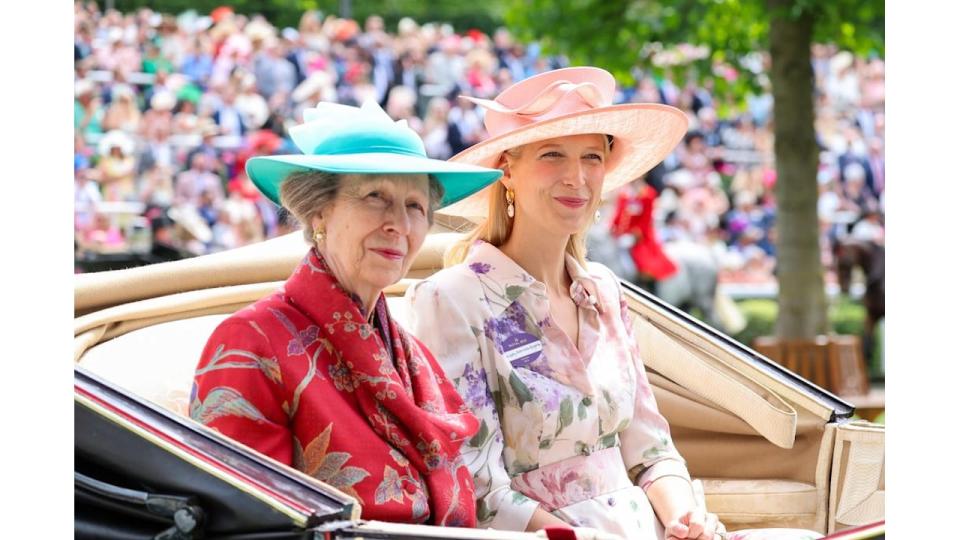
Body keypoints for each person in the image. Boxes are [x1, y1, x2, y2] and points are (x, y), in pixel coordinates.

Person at [406, 67, 821, 540]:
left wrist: (687, 516)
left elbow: (651, 449)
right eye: (552, 155)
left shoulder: (603, 289)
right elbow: (476, 486)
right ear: (507, 171)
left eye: (591, 157)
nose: (577, 177)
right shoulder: (453, 298)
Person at [190, 100, 502, 526]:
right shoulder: (250, 342)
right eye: (376, 196)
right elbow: (246, 526)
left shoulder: (413, 356)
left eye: (415, 207)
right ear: (319, 210)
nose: (399, 224)